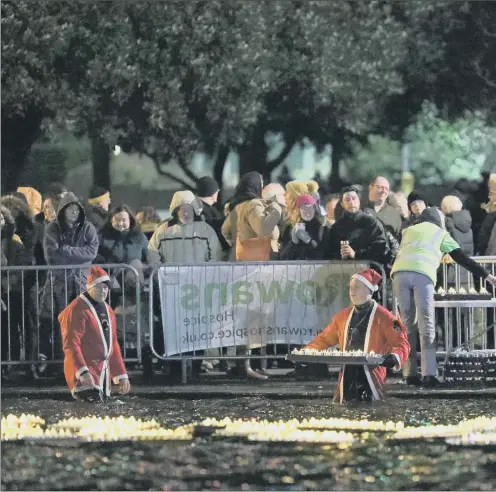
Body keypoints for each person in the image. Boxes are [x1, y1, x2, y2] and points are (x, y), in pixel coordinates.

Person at [391, 206, 496, 387]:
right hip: (421, 274)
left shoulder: (408, 231)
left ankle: (409, 374)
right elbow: (462, 258)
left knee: (407, 326)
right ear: (439, 221)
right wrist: (488, 276)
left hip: (399, 274)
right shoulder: (440, 233)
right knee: (427, 325)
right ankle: (429, 375)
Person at [304, 269, 410, 404]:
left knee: (374, 412)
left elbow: (402, 343)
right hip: (347, 374)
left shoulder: (385, 317)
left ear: (370, 290)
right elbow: (324, 339)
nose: (352, 291)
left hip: (372, 375)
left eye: (357, 288)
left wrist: (394, 357)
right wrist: (307, 351)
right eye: (350, 288)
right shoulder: (341, 316)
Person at [58, 266, 130, 402]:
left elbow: (113, 344)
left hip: (102, 373)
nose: (103, 291)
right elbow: (71, 345)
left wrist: (121, 374)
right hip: (86, 374)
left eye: (105, 288)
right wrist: (83, 372)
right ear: (88, 287)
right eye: (98, 287)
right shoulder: (75, 310)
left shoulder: (108, 310)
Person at [327, 186, 388, 269]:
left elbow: (380, 248)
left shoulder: (371, 222)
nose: (351, 202)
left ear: (359, 201)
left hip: (369, 272)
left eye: (354, 198)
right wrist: (340, 255)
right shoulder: (336, 227)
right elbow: (330, 253)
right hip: (343, 272)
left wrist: (355, 254)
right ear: (342, 204)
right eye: (347, 200)